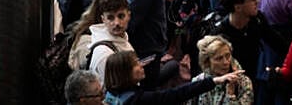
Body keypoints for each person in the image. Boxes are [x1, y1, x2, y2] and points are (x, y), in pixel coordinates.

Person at [214, 0, 290, 98]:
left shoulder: (257, 20)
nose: (257, 2)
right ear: (238, 7)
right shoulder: (220, 35)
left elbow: (277, 42)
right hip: (231, 85)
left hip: (254, 78)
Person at [104, 50, 243, 105]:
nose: (141, 66)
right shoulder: (138, 100)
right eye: (136, 64)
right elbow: (176, 94)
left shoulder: (111, 92)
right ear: (125, 73)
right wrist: (214, 81)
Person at [66, 0, 134, 83]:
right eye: (111, 18)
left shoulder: (120, 39)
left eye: (121, 16)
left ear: (129, 15)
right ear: (103, 19)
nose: (117, 23)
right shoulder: (103, 52)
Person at [192, 36, 254, 105]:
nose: (226, 62)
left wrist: (230, 96)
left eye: (228, 56)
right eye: (219, 58)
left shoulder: (242, 81)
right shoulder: (198, 81)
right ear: (207, 62)